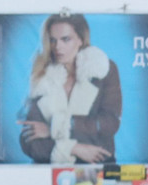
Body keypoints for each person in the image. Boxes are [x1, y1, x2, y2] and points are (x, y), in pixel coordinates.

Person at [18, 13, 121, 165]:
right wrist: (73, 148)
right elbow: (30, 143)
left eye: (65, 39)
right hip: (48, 173)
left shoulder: (103, 70)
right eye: (53, 40)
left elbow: (109, 124)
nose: (57, 47)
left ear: (80, 39)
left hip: (96, 169)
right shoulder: (42, 78)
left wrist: (53, 128)